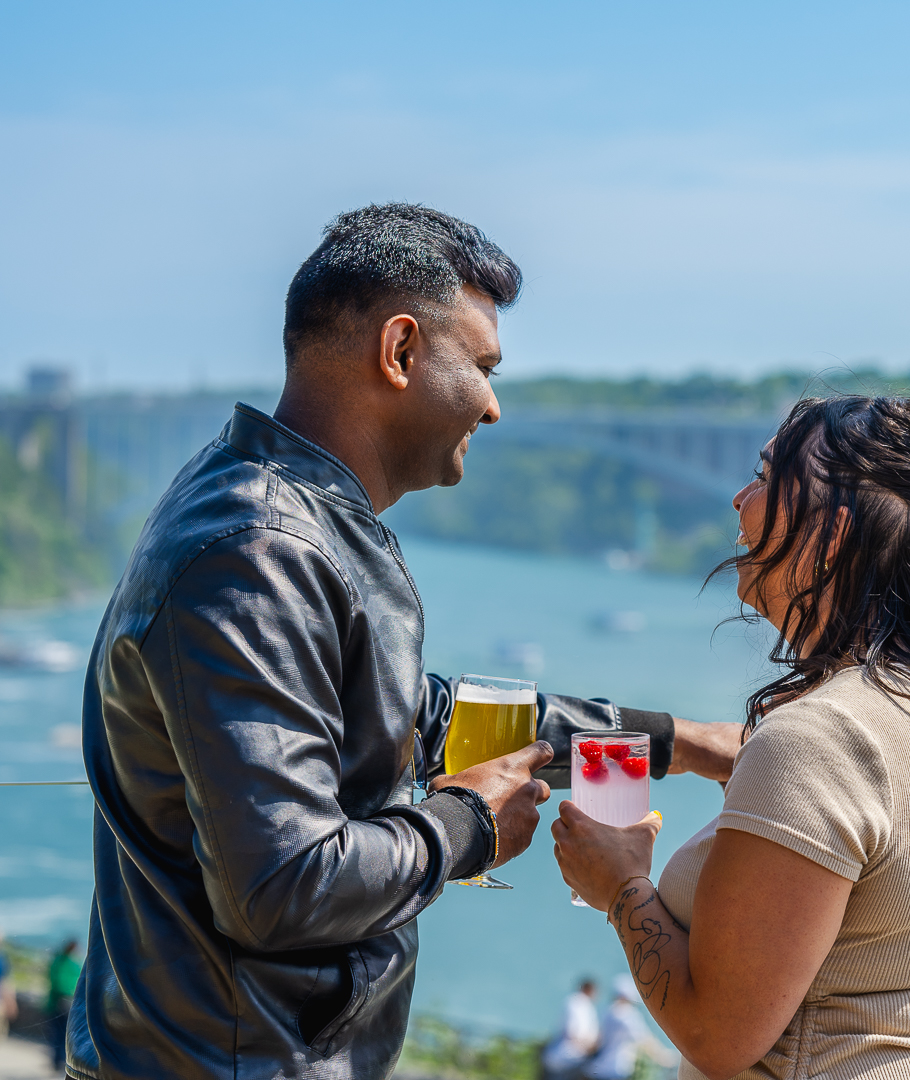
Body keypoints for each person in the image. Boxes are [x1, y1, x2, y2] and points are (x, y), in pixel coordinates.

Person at [71, 204, 742, 1080]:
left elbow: (407, 714)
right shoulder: (259, 551)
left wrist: (678, 742)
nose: (495, 406)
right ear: (400, 351)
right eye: (484, 365)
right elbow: (280, 887)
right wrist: (466, 824)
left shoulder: (286, 516)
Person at [554, 394, 910, 1079]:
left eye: (767, 477)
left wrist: (619, 884)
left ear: (829, 537)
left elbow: (718, 1035)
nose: (739, 497)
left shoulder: (821, 736)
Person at [584, 975, 664, 1080]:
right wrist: (665, 1058)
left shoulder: (609, 1011)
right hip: (614, 1070)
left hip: (599, 1069)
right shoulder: (625, 1013)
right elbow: (645, 1040)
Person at [543, 978, 599, 1080]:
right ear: (590, 990)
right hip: (567, 1057)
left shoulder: (576, 1002)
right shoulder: (578, 1003)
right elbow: (573, 1033)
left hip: (564, 1057)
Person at [46, 939, 82, 1072]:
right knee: (64, 1034)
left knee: (58, 1034)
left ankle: (59, 1061)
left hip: (57, 1004)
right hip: (65, 1004)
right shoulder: (72, 964)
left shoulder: (58, 961)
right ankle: (61, 1061)